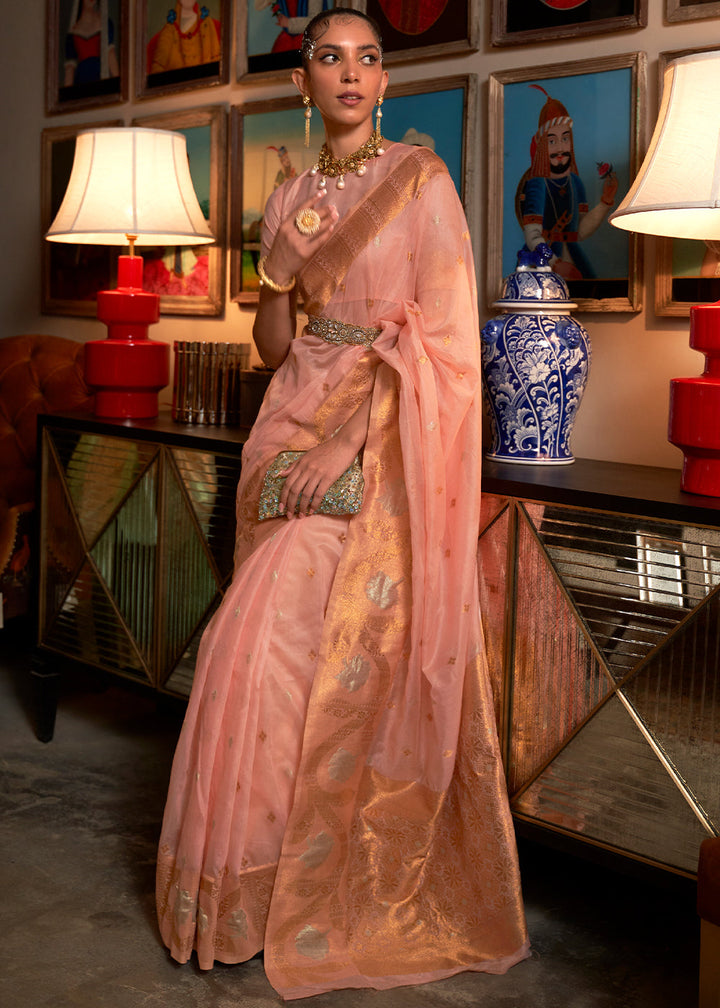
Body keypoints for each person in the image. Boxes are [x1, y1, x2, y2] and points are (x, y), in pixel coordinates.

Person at [156, 7, 529, 999]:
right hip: (285, 424)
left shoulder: (421, 181)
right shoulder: (286, 196)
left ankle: (302, 887)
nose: (352, 74)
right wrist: (274, 280)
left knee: (265, 643)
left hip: (383, 436)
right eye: (331, 58)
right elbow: (276, 346)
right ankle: (246, 887)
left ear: (384, 82)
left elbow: (443, 338)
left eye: (369, 59)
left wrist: (350, 440)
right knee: (269, 655)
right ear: (305, 81)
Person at [516, 85, 618, 280]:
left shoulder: (575, 182)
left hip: (572, 255)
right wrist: (554, 263)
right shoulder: (537, 184)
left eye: (565, 139)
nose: (560, 148)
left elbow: (579, 232)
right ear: (543, 146)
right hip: (543, 261)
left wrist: (605, 202)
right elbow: (532, 236)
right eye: (552, 141)